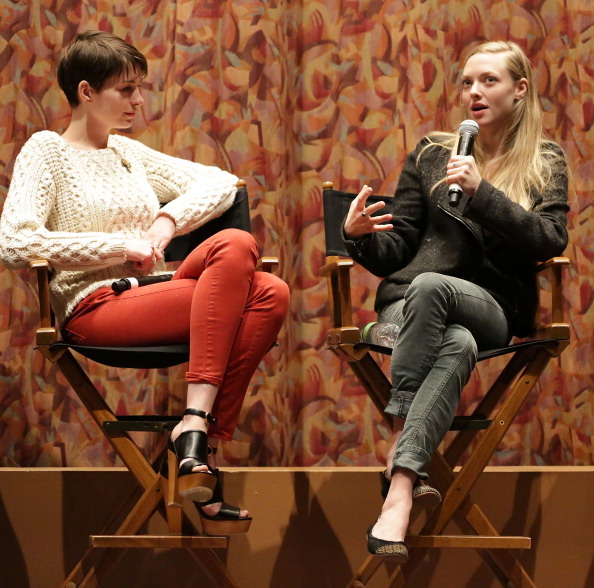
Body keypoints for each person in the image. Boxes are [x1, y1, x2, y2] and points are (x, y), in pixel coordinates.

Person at [0, 30, 290, 535]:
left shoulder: (129, 154)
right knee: (258, 279)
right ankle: (198, 437)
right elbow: (14, 243)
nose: (138, 100)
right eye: (126, 90)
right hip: (93, 305)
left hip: (154, 292)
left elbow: (221, 183)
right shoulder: (46, 151)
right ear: (86, 92)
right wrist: (117, 247)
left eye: (140, 88)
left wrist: (166, 222)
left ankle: (195, 434)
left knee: (262, 275)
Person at [342, 41, 569, 560]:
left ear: (520, 90)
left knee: (435, 290)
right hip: (411, 308)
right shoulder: (431, 152)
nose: (474, 93)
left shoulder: (544, 159)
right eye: (467, 82)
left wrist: (483, 192)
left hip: (491, 304)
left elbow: (550, 239)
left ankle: (398, 432)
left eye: (488, 80)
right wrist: (358, 236)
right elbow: (397, 247)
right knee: (454, 339)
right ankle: (401, 487)